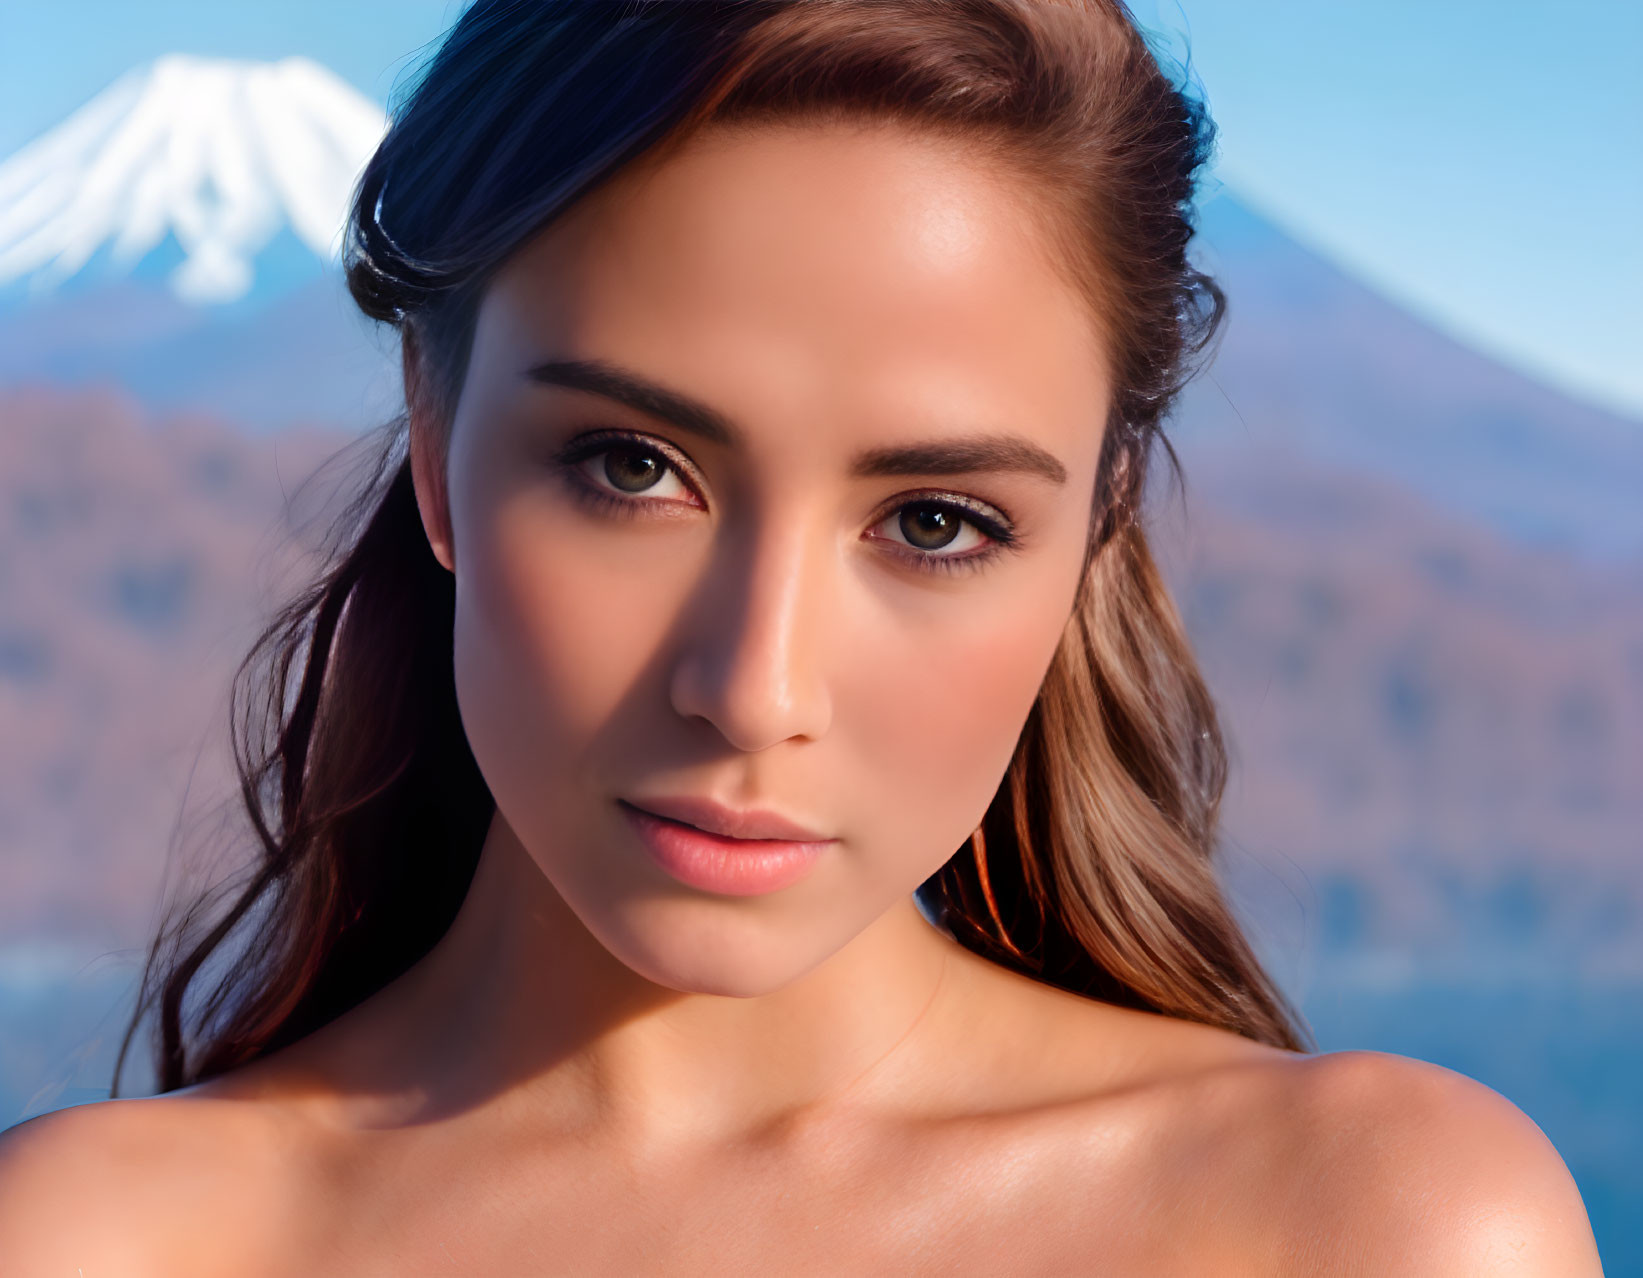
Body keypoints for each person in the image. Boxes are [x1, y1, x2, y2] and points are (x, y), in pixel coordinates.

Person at [0, 1, 1602, 1272]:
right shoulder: (98, 1245)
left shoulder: (1381, 1230)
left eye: (934, 522)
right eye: (632, 469)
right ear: (434, 444)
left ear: (1096, 530)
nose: (753, 688)